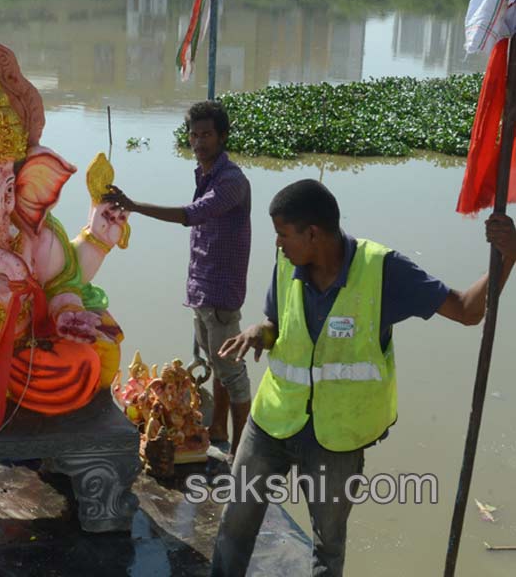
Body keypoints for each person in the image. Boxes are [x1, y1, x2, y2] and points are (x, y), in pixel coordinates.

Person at [211, 179, 514, 576]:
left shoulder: (384, 271)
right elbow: (276, 323)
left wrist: (506, 257)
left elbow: (466, 310)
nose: (278, 245)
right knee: (235, 523)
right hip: (272, 421)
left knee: (328, 545)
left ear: (314, 233)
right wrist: (259, 332)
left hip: (338, 439)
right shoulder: (289, 263)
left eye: (284, 235)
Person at [102, 100, 252, 455]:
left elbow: (191, 215)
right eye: (194, 134)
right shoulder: (205, 174)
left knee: (232, 371)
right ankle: (217, 427)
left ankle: (243, 447)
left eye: (207, 135)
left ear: (222, 137)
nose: (199, 142)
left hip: (221, 291)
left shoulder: (231, 181)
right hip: (202, 287)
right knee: (217, 362)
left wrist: (134, 206)